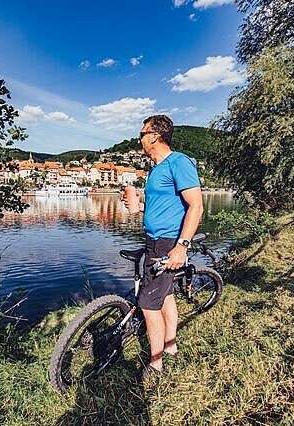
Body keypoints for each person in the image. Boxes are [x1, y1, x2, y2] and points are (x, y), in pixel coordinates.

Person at [121, 115, 204, 379]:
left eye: (142, 134)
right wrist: (139, 208)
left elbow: (196, 206)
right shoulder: (155, 169)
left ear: (154, 136)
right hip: (154, 240)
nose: (140, 139)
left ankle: (155, 365)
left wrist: (181, 246)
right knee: (165, 295)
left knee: (148, 304)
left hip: (168, 242)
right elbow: (165, 206)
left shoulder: (178, 162)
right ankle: (170, 345)